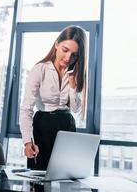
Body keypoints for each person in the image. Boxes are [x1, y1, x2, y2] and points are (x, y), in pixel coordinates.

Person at [19, 25, 87, 170]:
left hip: (66, 125)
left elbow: (75, 109)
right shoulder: (39, 69)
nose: (68, 58)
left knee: (66, 177)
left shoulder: (76, 73)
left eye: (74, 55)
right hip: (42, 125)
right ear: (56, 44)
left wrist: (74, 86)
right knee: (39, 179)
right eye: (65, 50)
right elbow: (26, 109)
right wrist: (27, 142)